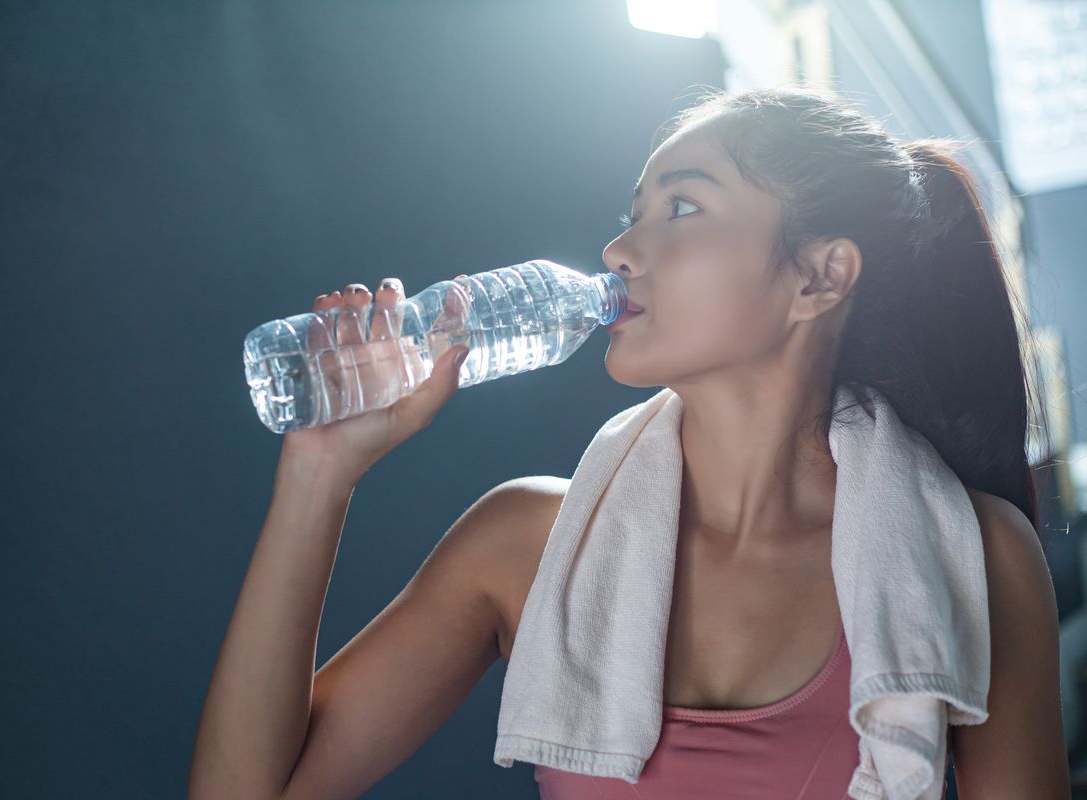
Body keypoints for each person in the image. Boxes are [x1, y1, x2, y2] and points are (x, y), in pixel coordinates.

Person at [187, 87, 1070, 799]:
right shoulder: (525, 544)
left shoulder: (969, 554)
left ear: (819, 275)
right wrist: (319, 473)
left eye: (682, 206)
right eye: (632, 210)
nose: (618, 249)